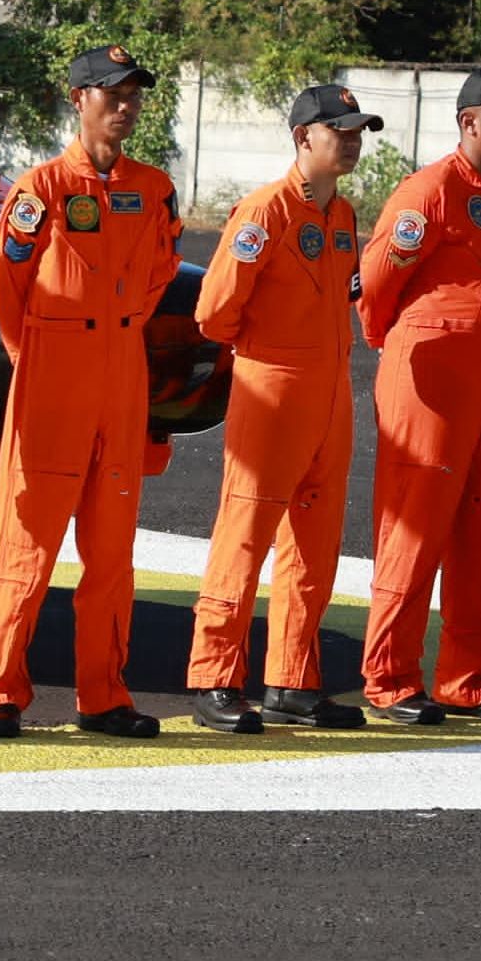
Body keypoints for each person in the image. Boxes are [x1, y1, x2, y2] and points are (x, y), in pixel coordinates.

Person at [0, 43, 181, 740]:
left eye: (133, 95)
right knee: (27, 541)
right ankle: (1, 691)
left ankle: (104, 695)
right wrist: (36, 352)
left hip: (121, 371)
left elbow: (161, 270)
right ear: (79, 100)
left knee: (112, 549)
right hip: (53, 371)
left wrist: (116, 333)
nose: (125, 107)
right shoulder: (42, 189)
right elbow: (8, 282)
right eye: (111, 94)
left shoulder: (153, 188)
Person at [354, 63, 481, 726]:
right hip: (431, 388)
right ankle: (390, 679)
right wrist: (399, 353)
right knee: (413, 533)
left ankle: (467, 680)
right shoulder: (430, 190)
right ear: (470, 123)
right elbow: (376, 281)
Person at [180, 82, 379, 734]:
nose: (351, 141)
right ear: (304, 138)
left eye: (356, 132)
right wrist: (266, 358)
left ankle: (293, 681)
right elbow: (213, 312)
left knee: (313, 547)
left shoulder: (343, 215)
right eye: (340, 131)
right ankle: (214, 676)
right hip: (273, 388)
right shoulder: (264, 213)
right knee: (246, 536)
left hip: (329, 392)